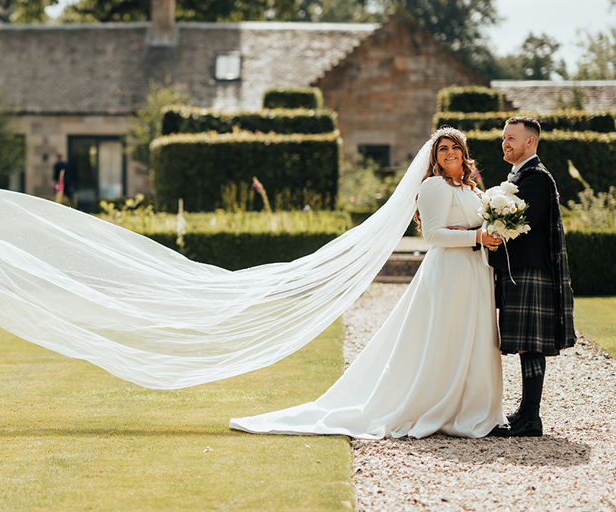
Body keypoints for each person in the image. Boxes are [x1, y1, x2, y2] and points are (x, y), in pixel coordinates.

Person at [230, 127, 505, 439]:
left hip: (474, 272)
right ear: (435, 157)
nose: (449, 153)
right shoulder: (434, 186)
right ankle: (441, 404)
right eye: (442, 149)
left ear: (464, 153)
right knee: (447, 337)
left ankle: (471, 407)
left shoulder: (471, 189)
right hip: (450, 273)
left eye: (454, 147)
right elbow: (432, 235)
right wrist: (476, 237)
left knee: (473, 337)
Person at [488, 116, 575, 438]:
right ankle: (526, 411)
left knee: (531, 344)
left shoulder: (536, 178)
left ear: (530, 142)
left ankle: (531, 418)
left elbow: (518, 225)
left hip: (531, 270)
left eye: (512, 138)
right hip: (521, 269)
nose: (505, 143)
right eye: (503, 138)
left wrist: (478, 233)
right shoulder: (522, 176)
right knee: (527, 344)